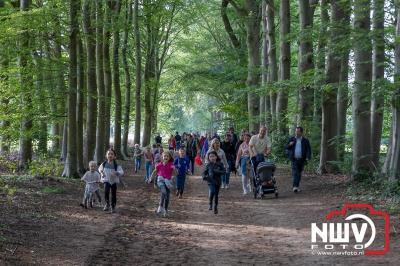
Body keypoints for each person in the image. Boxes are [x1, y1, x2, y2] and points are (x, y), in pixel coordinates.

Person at [148, 151, 177, 217]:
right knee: (164, 191)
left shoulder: (171, 165)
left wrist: (175, 169)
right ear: (162, 157)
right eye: (164, 156)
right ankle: (160, 207)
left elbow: (176, 174)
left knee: (167, 197)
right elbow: (154, 172)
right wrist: (150, 178)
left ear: (169, 158)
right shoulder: (159, 164)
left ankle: (165, 210)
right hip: (160, 180)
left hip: (168, 181)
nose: (166, 157)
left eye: (167, 156)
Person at [285, 126, 311, 192]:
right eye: (296, 131)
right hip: (294, 159)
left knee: (299, 173)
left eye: (298, 131)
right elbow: (286, 147)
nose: (296, 133)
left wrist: (308, 157)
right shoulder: (292, 139)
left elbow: (308, 149)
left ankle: (296, 186)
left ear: (301, 132)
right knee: (296, 172)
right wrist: (289, 145)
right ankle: (295, 187)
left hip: (302, 159)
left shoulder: (305, 140)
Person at [99, 149, 124, 213]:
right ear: (106, 156)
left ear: (114, 156)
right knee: (106, 192)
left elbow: (121, 172)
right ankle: (107, 204)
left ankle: (113, 206)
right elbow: (100, 169)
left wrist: (117, 172)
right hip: (106, 180)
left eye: (112, 154)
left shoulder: (116, 165)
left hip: (113, 181)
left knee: (113, 194)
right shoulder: (104, 164)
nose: (110, 155)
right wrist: (102, 173)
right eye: (109, 154)